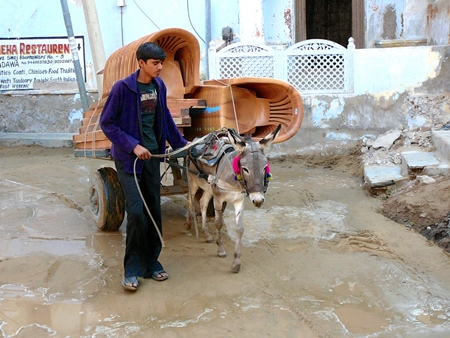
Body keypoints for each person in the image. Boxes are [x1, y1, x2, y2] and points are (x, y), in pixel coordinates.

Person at [100, 42, 189, 291]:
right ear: (141, 63)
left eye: (161, 63)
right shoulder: (122, 89)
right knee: (137, 212)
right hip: (130, 160)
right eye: (155, 63)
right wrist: (132, 145)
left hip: (153, 157)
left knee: (153, 211)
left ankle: (151, 263)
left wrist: (182, 144)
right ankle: (131, 269)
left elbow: (166, 119)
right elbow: (107, 123)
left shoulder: (158, 85)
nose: (160, 67)